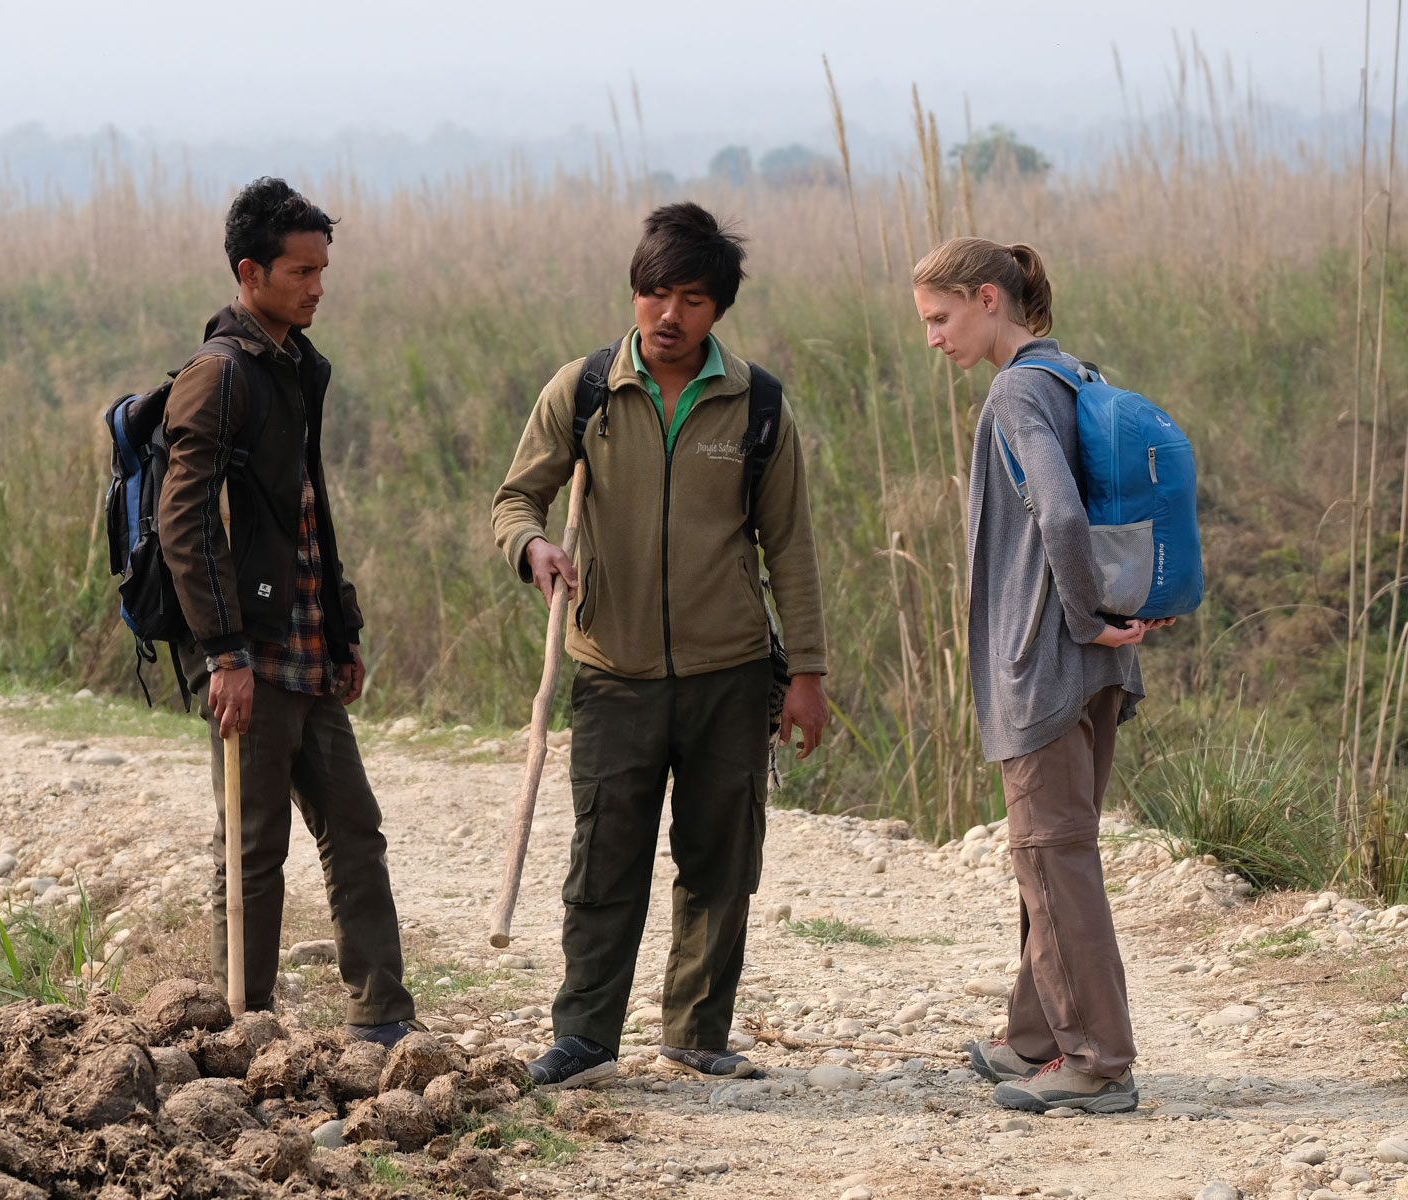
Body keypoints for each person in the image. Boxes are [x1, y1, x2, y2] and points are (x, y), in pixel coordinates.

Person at [491, 202, 831, 1087]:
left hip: (730, 675)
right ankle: (585, 1039)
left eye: (689, 298)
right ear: (633, 294)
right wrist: (534, 547)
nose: (668, 316)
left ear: (718, 309)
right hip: (614, 671)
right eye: (653, 294)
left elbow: (789, 545)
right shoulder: (587, 389)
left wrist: (807, 674)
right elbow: (515, 499)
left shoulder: (756, 405)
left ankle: (697, 1031)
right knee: (605, 861)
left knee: (721, 863)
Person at [156, 176, 418, 1045]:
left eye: (322, 269)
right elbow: (183, 522)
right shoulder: (216, 377)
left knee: (355, 829)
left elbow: (309, 513)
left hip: (307, 647)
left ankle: (382, 1018)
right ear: (250, 272)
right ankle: (247, 1030)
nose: (317, 286)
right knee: (254, 851)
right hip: (250, 656)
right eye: (301, 271)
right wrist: (223, 652)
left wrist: (342, 628)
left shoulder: (300, 369)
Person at [912, 236, 1168, 1115]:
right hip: (1095, 667)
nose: (933, 338)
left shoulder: (1017, 387)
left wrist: (1083, 617)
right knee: (1055, 853)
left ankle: (1096, 1060)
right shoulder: (1073, 375)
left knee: (1052, 855)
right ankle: (1034, 1040)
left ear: (990, 299)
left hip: (1049, 662)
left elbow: (1059, 511)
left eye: (940, 318)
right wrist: (1105, 629)